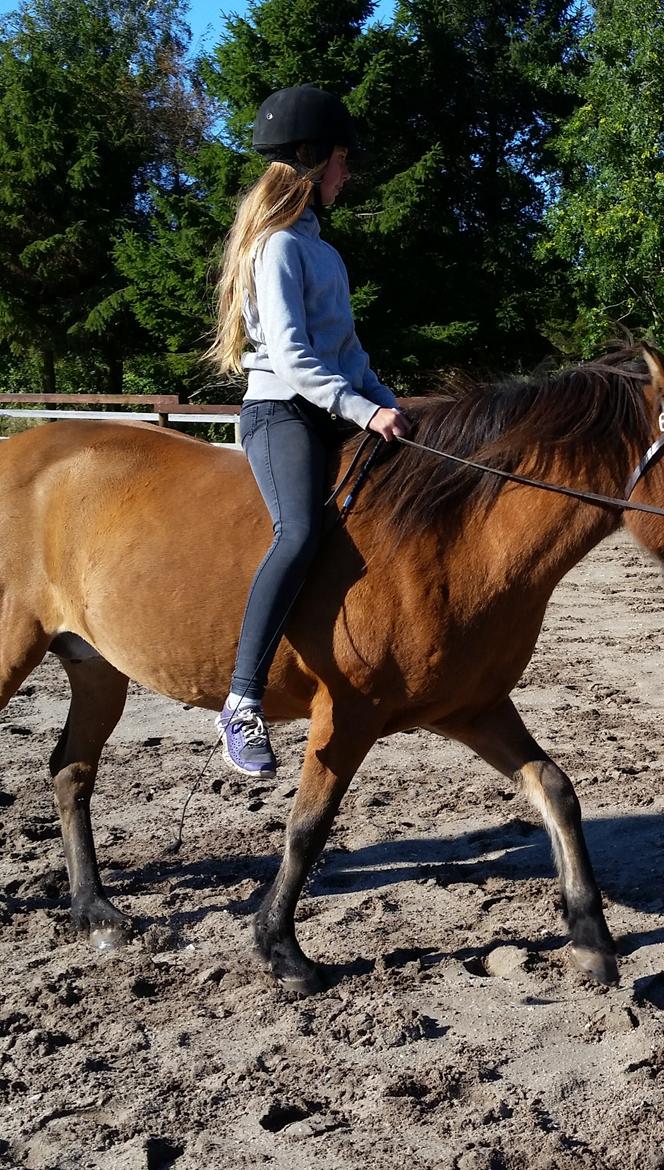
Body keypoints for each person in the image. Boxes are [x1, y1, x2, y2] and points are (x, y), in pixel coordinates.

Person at [206, 84, 410, 778]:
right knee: (298, 531)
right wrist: (360, 410)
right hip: (281, 412)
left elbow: (349, 355)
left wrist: (387, 403)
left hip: (332, 407)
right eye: (342, 162)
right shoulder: (277, 248)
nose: (348, 175)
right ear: (311, 158)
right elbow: (294, 360)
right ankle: (241, 700)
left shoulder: (324, 251)